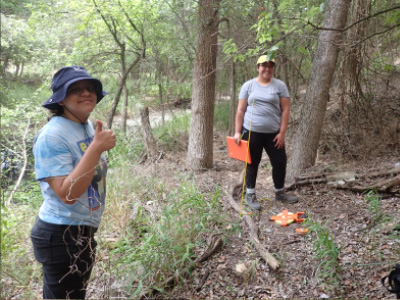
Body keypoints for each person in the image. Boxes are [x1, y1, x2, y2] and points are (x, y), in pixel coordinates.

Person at [30, 66, 116, 299]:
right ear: (60, 100)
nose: (86, 93)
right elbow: (67, 195)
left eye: (90, 88)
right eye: (75, 89)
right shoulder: (52, 136)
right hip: (60, 235)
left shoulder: (86, 125)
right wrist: (97, 148)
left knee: (75, 294)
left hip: (82, 231)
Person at [234, 55, 298, 210]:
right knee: (252, 163)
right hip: (251, 132)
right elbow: (241, 110)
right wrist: (237, 132)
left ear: (273, 69)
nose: (267, 69)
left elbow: (285, 109)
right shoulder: (248, 86)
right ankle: (250, 194)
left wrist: (282, 133)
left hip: (273, 134)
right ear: (258, 68)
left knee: (279, 162)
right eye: (264, 66)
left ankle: (279, 192)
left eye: (270, 66)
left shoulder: (280, 86)